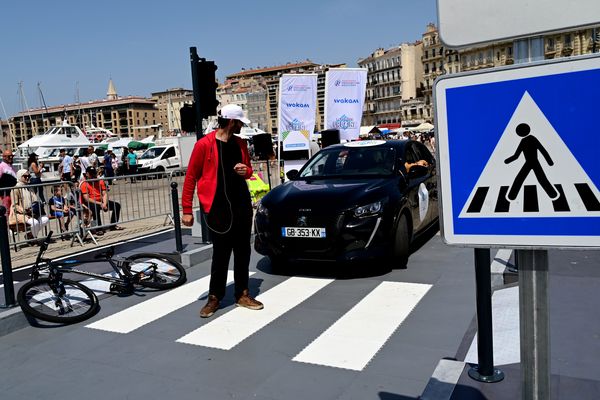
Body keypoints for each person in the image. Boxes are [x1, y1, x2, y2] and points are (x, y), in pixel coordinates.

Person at [182, 104, 263, 318]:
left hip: (242, 204)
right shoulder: (204, 145)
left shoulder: (240, 144)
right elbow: (190, 177)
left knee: (243, 251)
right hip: (217, 207)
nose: (240, 127)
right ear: (231, 122)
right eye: (239, 123)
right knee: (221, 254)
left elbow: (248, 171)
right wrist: (187, 209)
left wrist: (247, 171)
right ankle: (214, 298)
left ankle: (242, 294)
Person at [80, 166, 123, 235]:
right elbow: (86, 198)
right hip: (90, 202)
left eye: (94, 173)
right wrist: (100, 203)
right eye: (91, 174)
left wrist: (104, 204)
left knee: (116, 205)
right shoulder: (84, 183)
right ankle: (98, 228)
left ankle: (113, 225)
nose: (93, 175)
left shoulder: (100, 181)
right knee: (95, 208)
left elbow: (104, 193)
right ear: (87, 174)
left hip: (101, 201)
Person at [9, 169, 50, 240]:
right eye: (25, 176)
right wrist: (24, 211)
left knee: (45, 219)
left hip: (32, 212)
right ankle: (33, 239)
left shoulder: (30, 188)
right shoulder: (15, 189)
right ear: (20, 176)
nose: (27, 178)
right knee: (35, 223)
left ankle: (30, 236)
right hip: (20, 214)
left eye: (29, 176)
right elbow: (15, 205)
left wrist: (35, 208)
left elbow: (35, 200)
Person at [0, 150, 17, 215]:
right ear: (4, 157)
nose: (11, 157)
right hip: (6, 194)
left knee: (13, 210)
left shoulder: (11, 166)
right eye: (9, 156)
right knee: (7, 211)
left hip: (13, 193)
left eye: (12, 156)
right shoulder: (1, 166)